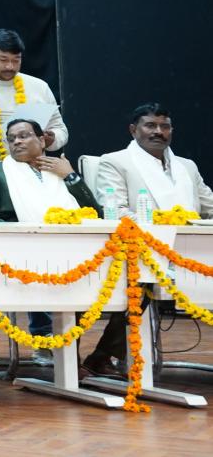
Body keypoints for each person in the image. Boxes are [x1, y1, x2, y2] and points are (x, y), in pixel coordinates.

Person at [83, 102, 212, 378]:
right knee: (141, 283)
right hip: (140, 249)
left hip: (192, 250)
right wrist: (159, 227)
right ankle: (102, 356)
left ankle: (102, 357)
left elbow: (208, 205)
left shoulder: (186, 166)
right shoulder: (115, 161)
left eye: (164, 126)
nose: (158, 132)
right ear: (133, 130)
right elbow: (115, 209)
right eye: (150, 125)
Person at [0, 118, 95, 365]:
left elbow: (95, 212)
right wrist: (24, 233)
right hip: (18, 249)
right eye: (11, 139)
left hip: (71, 249)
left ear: (42, 140)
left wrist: (71, 176)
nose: (17, 142)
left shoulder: (59, 169)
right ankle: (47, 338)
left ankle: (66, 347)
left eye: (24, 136)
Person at [0, 29, 68, 161]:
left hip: (31, 169)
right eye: (3, 60)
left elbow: (60, 130)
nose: (10, 66)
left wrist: (52, 139)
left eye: (16, 60)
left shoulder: (39, 87)